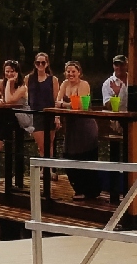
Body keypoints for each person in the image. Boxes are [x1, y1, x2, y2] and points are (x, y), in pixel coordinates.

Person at [57, 61, 101, 200]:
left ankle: (91, 191)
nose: (70, 74)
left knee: (85, 156)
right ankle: (78, 189)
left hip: (85, 125)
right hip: (71, 126)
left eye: (73, 71)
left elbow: (81, 105)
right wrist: (57, 116)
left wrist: (64, 104)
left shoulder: (84, 85)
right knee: (68, 156)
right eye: (68, 71)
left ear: (79, 73)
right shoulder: (64, 84)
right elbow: (57, 102)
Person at [0, 60, 28, 152]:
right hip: (8, 115)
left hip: (22, 115)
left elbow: (9, 101)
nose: (9, 74)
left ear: (17, 72)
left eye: (12, 71)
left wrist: (9, 83)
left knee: (7, 114)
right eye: (7, 71)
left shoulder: (22, 87)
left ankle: (0, 144)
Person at [25, 52, 57, 155]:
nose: (40, 65)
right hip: (35, 114)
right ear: (35, 64)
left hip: (49, 114)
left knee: (50, 144)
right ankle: (45, 168)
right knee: (41, 145)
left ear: (47, 64)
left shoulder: (53, 80)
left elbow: (56, 99)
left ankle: (49, 169)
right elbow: (25, 97)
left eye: (43, 62)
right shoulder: (28, 79)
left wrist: (57, 116)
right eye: (38, 63)